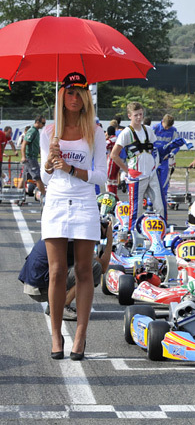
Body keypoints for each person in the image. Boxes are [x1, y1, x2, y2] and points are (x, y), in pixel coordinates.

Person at [40, 71, 107, 360]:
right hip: (55, 201)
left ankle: (80, 335)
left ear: (86, 97)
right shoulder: (49, 132)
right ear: (61, 94)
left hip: (84, 203)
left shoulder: (96, 130)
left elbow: (102, 177)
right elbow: (46, 175)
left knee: (82, 270)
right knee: (55, 272)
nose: (74, 97)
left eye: (80, 92)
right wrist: (48, 162)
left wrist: (70, 168)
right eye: (69, 92)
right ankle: (56, 336)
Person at [20, 220, 114, 322]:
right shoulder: (78, 240)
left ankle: (54, 305)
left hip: (34, 283)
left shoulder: (66, 230)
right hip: (39, 287)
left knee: (79, 266)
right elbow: (102, 267)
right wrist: (110, 240)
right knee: (93, 268)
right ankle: (62, 306)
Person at [110, 102, 163, 231]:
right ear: (129, 116)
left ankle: (159, 235)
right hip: (137, 176)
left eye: (141, 114)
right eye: (136, 115)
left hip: (151, 174)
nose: (139, 117)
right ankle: (132, 235)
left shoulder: (148, 130)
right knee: (136, 209)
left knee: (159, 206)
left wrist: (156, 164)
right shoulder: (126, 133)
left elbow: (156, 149)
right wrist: (127, 171)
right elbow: (114, 155)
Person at [19, 115, 47, 196]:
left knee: (24, 177)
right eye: (43, 123)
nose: (44, 125)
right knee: (37, 177)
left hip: (32, 157)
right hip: (30, 158)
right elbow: (24, 144)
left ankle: (17, 197)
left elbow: (36, 146)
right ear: (37, 122)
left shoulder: (36, 131)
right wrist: (23, 156)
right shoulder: (32, 131)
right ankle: (45, 196)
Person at [105, 125, 120, 198]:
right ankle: (115, 196)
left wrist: (105, 139)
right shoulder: (118, 139)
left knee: (109, 180)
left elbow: (103, 146)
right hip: (118, 161)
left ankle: (110, 196)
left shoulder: (110, 140)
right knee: (114, 180)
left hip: (111, 161)